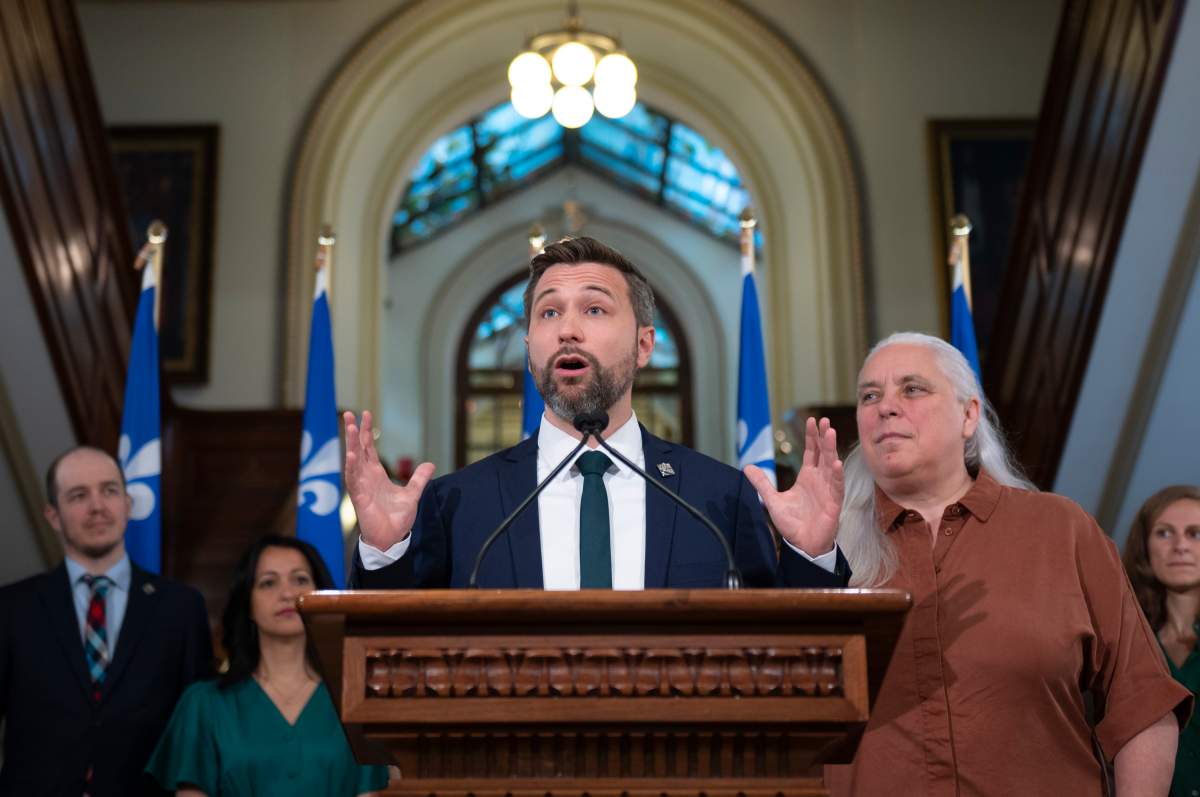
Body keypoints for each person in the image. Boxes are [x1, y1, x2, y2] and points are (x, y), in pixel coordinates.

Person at [751, 332, 1190, 796]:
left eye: (912, 388)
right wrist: (813, 556)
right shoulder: (820, 550)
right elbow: (785, 716)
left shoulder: (1061, 530)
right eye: (870, 395)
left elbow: (1143, 704)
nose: (886, 406)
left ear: (968, 415)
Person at [346, 236, 849, 589]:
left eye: (594, 309)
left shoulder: (717, 499)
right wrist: (384, 553)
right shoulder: (458, 504)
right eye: (549, 312)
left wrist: (811, 558)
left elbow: (783, 648)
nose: (568, 329)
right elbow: (395, 652)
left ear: (644, 344)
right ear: (529, 349)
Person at [0, 445, 213, 797]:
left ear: (128, 505)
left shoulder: (181, 607)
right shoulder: (11, 608)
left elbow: (198, 727)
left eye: (109, 490)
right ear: (53, 515)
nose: (97, 506)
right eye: (79, 495)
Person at [145, 535, 388, 796]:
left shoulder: (356, 701)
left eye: (300, 579)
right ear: (247, 603)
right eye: (268, 582)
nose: (287, 593)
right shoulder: (203, 704)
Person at [1123, 485, 1200, 797]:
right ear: (1145, 547)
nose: (1180, 546)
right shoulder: (1122, 642)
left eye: (1196, 534)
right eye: (1165, 533)